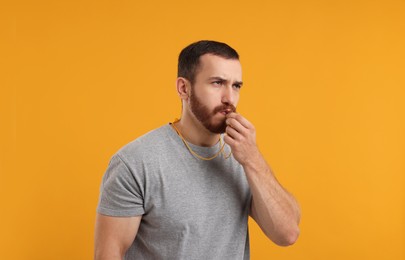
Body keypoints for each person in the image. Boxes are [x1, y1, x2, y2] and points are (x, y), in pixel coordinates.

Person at [94, 40, 301, 260]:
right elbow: (108, 253)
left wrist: (252, 159)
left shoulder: (243, 156)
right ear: (184, 88)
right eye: (217, 83)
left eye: (236, 86)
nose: (229, 98)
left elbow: (287, 234)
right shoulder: (135, 162)